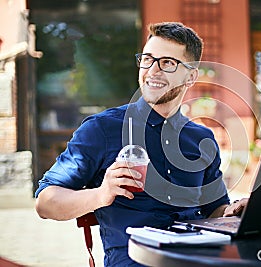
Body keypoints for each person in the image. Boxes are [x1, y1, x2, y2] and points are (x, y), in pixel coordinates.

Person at [35, 22, 247, 266]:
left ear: (191, 77)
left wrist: (234, 211)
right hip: (134, 260)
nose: (153, 70)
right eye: (148, 59)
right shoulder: (102, 129)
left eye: (167, 63)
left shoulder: (201, 139)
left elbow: (215, 209)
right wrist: (101, 195)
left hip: (197, 258)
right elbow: (45, 202)